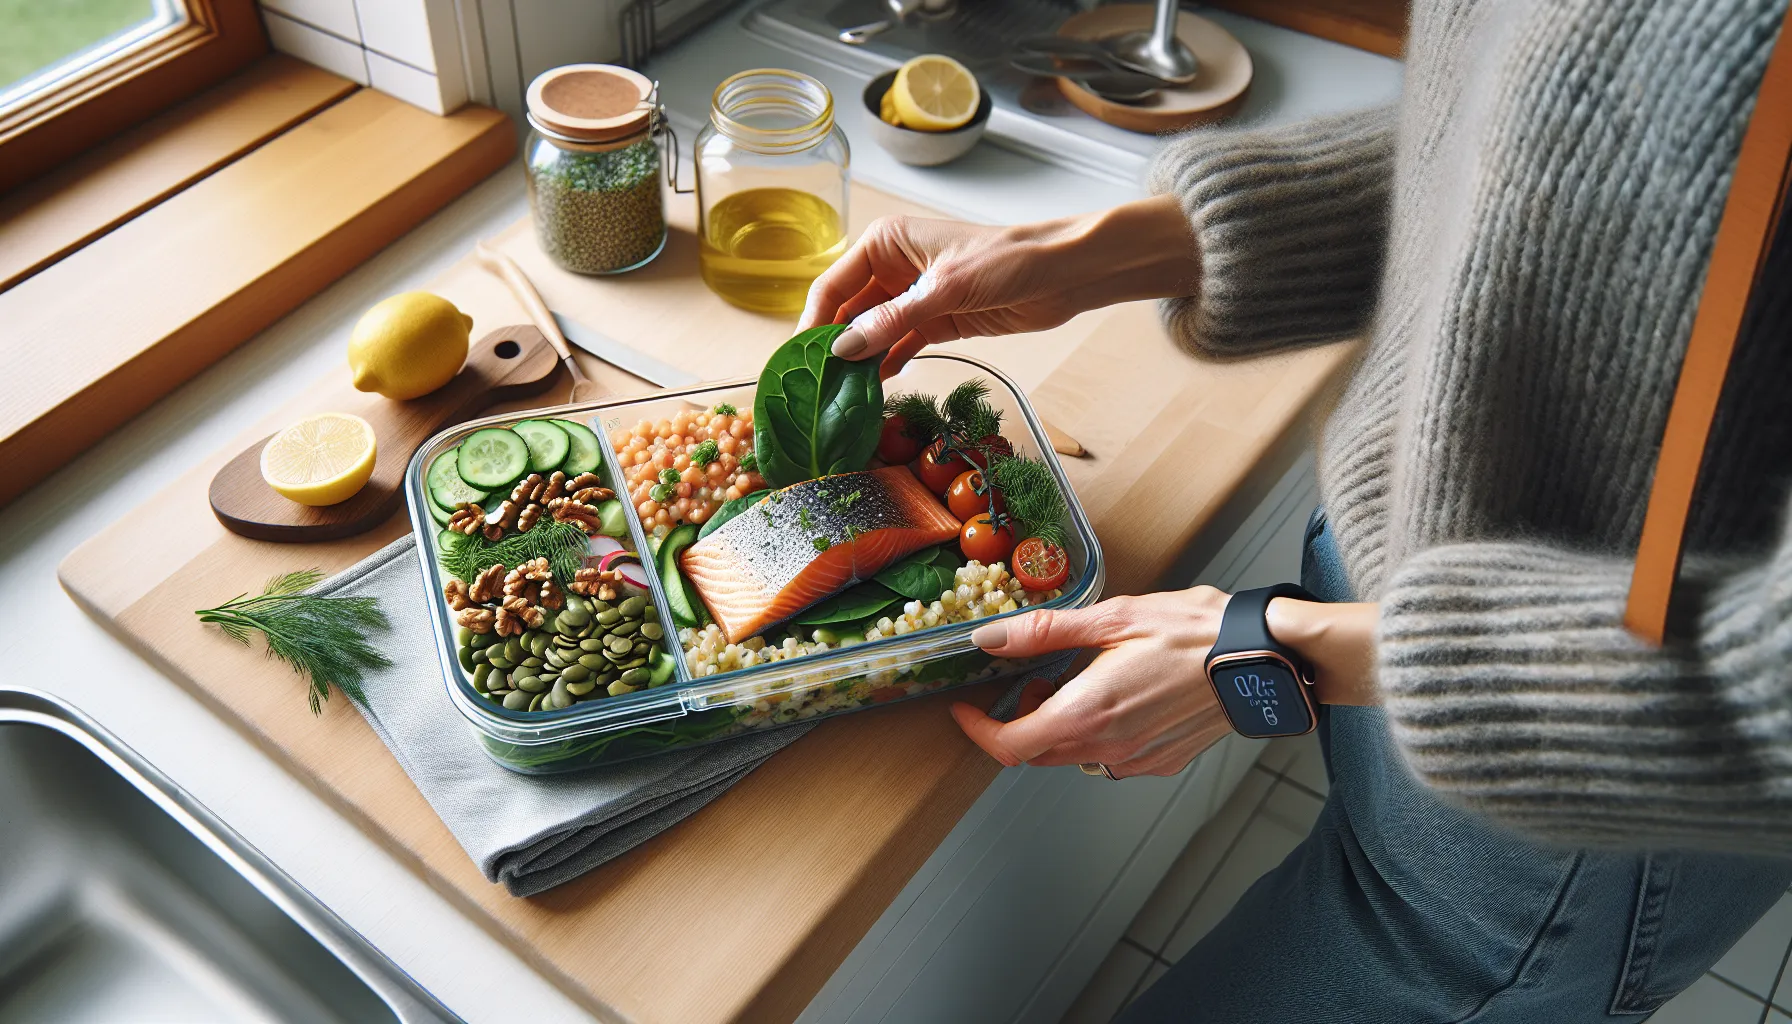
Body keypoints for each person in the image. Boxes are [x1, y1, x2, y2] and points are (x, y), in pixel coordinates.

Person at [797, 0, 1792, 1018]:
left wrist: (1274, 657)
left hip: (1581, 771)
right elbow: (1548, 144)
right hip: (1401, 628)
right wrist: (1100, 247)